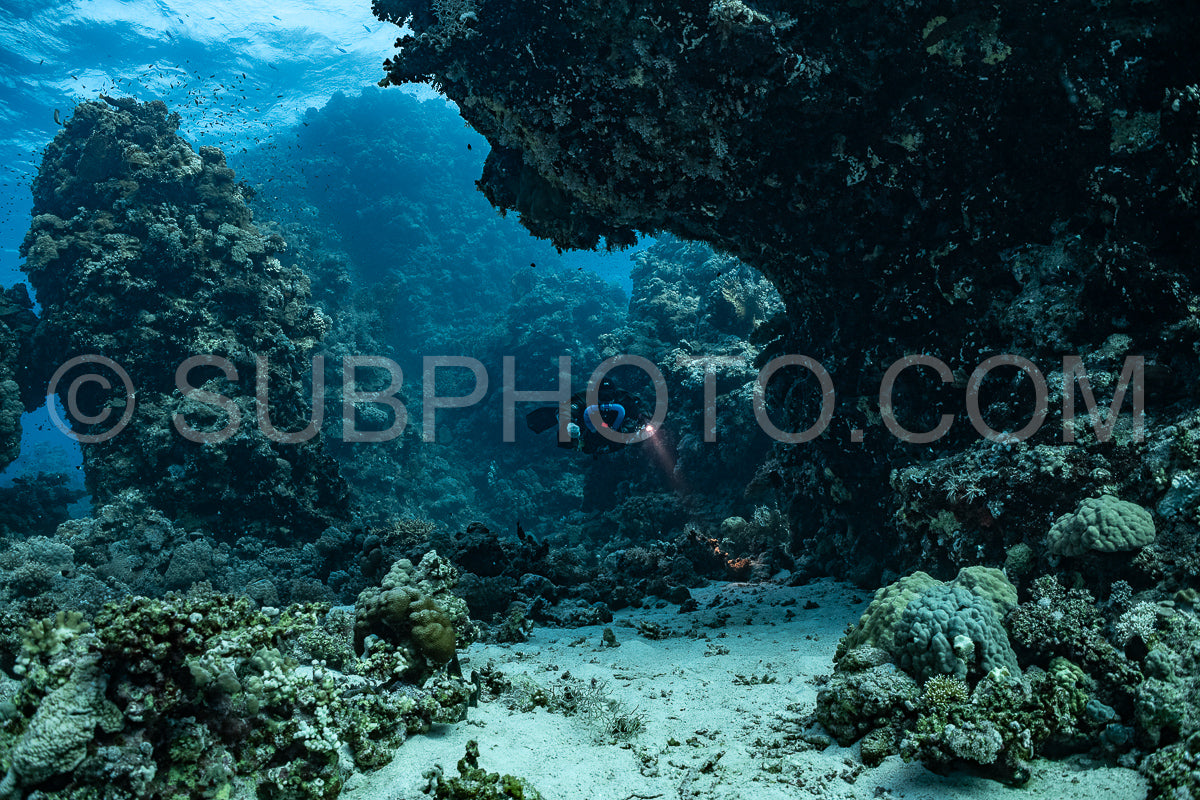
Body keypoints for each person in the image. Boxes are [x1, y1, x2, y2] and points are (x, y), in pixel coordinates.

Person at [525, 379, 645, 454]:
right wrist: (568, 424)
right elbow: (566, 410)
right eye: (602, 397)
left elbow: (641, 412)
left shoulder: (624, 398)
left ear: (615, 394)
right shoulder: (584, 398)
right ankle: (578, 442)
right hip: (588, 437)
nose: (606, 401)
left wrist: (643, 424)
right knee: (564, 432)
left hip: (617, 439)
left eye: (609, 396)